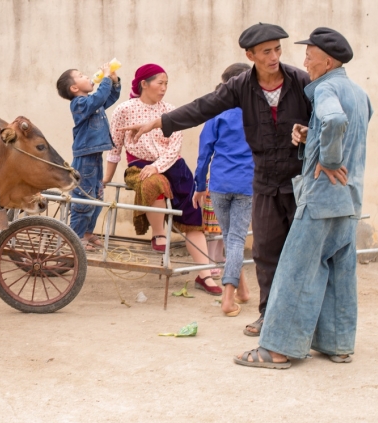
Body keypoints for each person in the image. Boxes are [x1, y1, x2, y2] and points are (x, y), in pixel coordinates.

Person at [121, 23, 312, 334]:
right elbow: (201, 108)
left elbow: (323, 116)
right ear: (250, 55)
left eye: (278, 49)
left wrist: (313, 137)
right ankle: (269, 317)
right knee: (264, 251)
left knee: (301, 251)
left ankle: (303, 320)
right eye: (266, 51)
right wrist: (160, 121)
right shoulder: (240, 86)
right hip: (262, 182)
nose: (275, 56)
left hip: (297, 180)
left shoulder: (301, 81)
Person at [235, 27, 371, 369]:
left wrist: (328, 159)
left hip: (321, 199)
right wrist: (313, 138)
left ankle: (276, 350)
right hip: (349, 200)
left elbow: (336, 121)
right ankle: (337, 345)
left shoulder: (324, 89)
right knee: (340, 272)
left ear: (327, 61)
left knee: (295, 271)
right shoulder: (357, 92)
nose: (304, 61)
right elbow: (351, 125)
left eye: (309, 55)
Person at [105, 64, 221, 295]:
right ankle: (158, 235)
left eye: (167, 83)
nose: (164, 88)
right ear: (144, 84)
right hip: (138, 165)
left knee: (193, 211)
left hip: (173, 165)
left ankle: (205, 274)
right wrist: (106, 177)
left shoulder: (170, 110)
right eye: (160, 82)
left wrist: (157, 165)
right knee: (153, 182)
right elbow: (115, 147)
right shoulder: (124, 110)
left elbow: (175, 146)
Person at [193, 62, 254, 317]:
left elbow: (204, 152)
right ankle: (228, 299)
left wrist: (199, 186)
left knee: (230, 236)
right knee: (235, 238)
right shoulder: (257, 113)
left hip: (218, 184)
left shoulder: (216, 114)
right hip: (247, 184)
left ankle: (243, 291)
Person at [56, 63, 121, 248]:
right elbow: (99, 97)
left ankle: (87, 232)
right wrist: (106, 78)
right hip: (84, 159)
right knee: (83, 199)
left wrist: (114, 83)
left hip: (95, 156)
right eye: (81, 75)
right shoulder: (79, 104)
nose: (87, 76)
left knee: (97, 197)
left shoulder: (93, 103)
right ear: (74, 88)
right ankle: (74, 238)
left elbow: (107, 97)